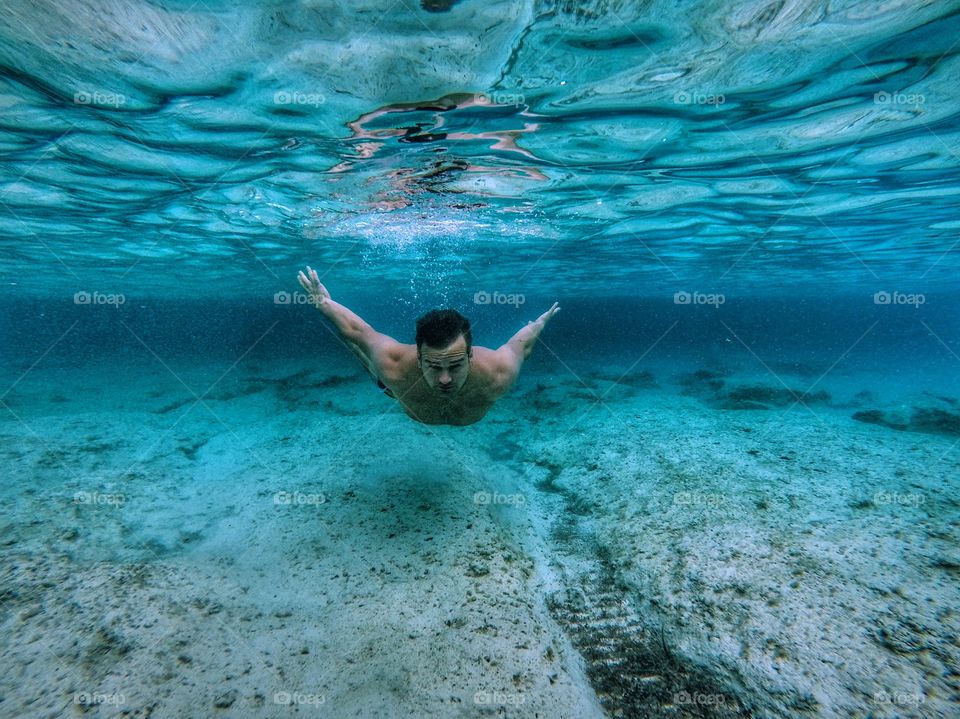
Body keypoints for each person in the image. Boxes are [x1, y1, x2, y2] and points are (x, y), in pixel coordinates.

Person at [297, 266, 560, 426]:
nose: (445, 379)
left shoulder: (498, 372)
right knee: (360, 351)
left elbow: (519, 347)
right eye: (434, 366)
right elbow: (359, 332)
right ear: (419, 358)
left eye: (455, 365)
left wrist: (539, 324)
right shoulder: (394, 364)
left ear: (470, 356)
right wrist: (324, 304)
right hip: (394, 389)